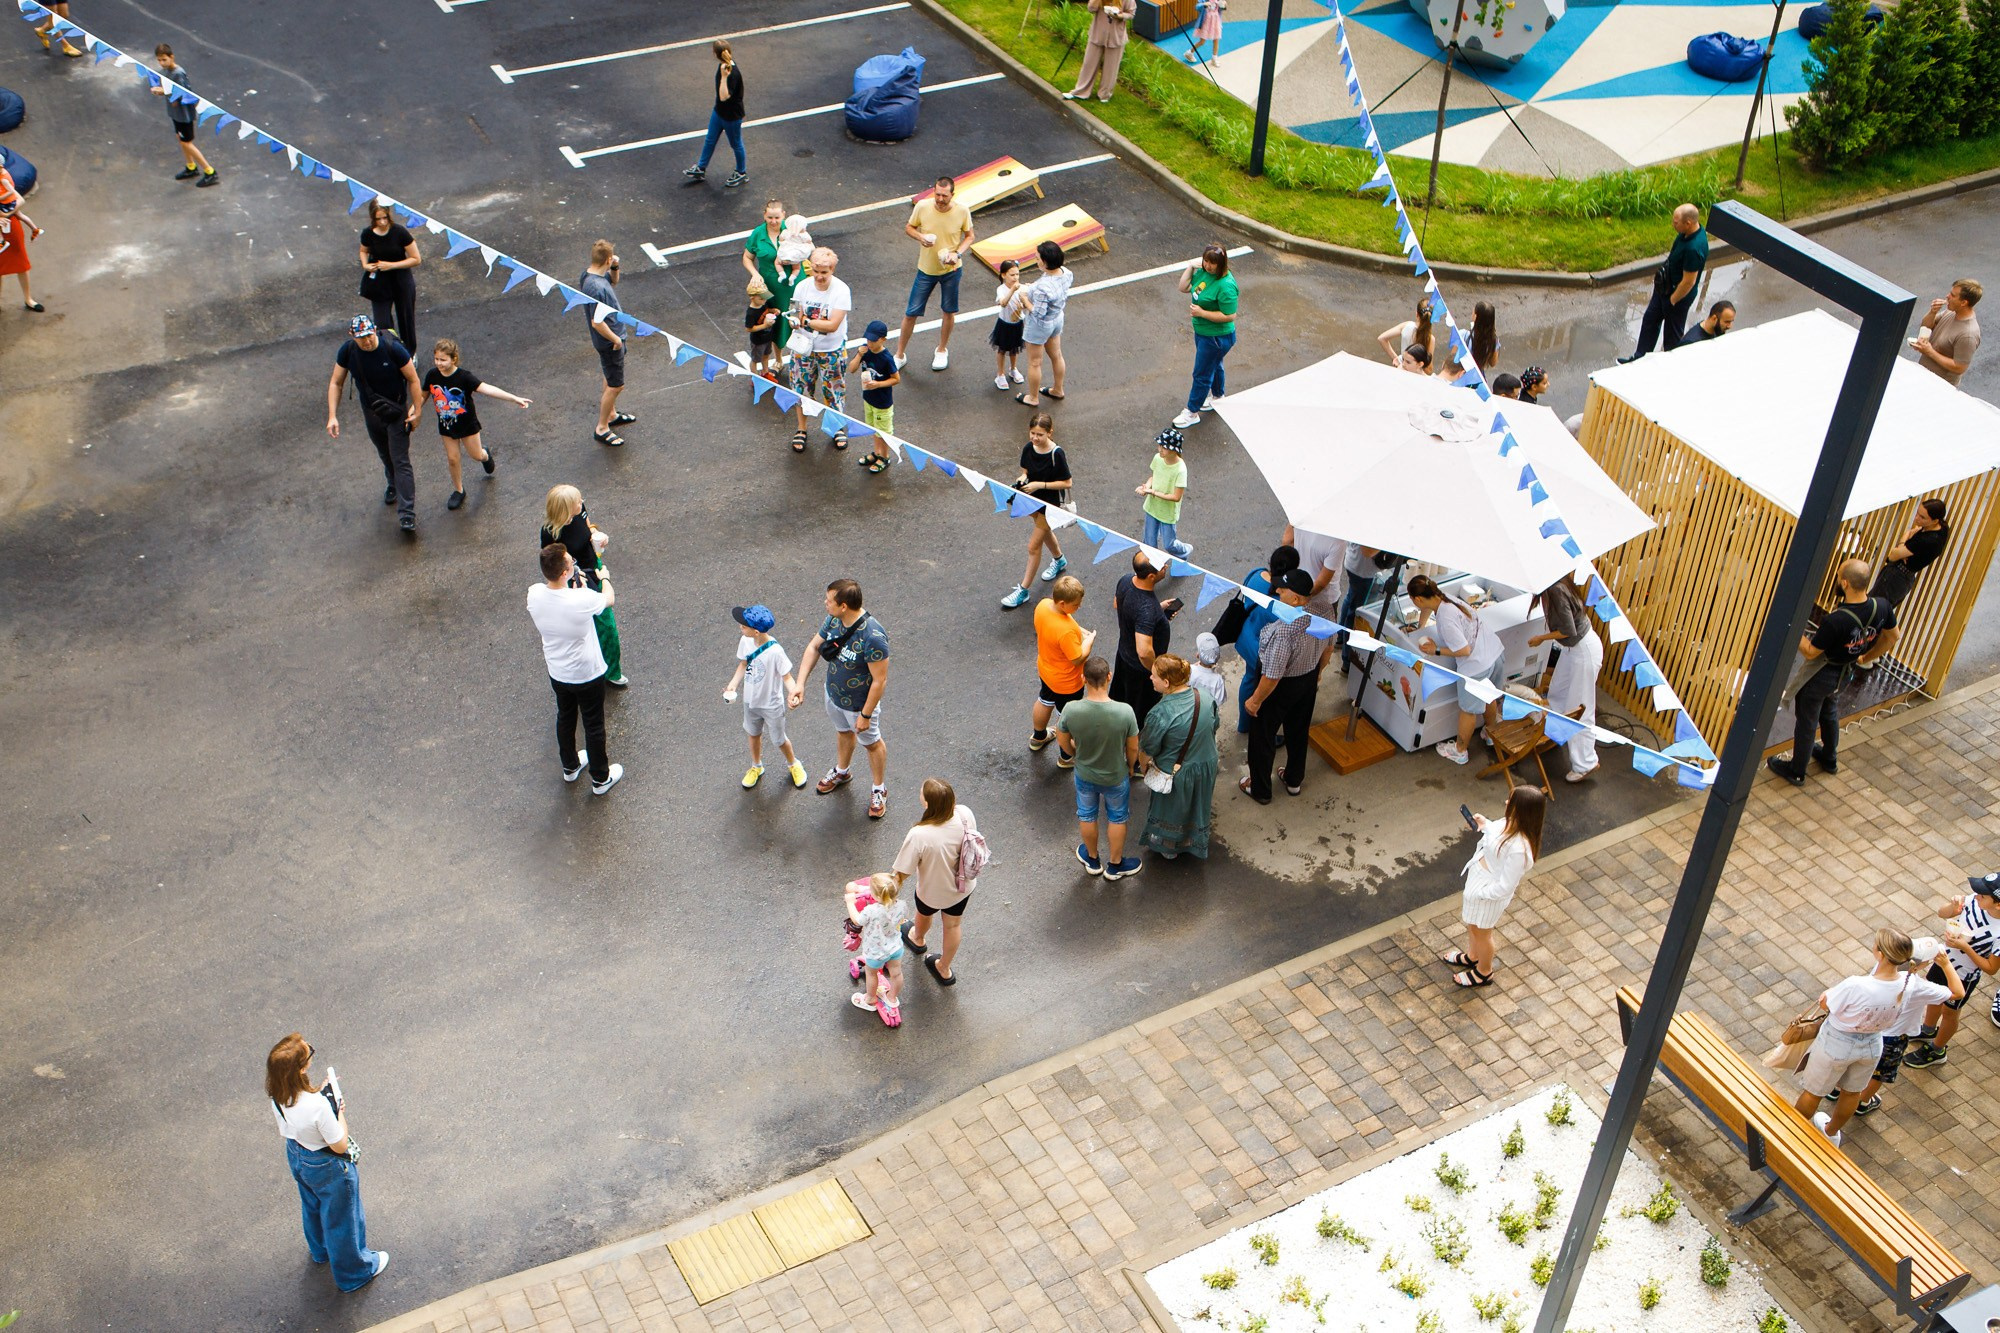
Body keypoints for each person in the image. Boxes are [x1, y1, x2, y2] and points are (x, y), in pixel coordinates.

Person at [1791, 929, 1949, 1146]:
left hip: (1837, 1042)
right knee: (1852, 1093)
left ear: (1881, 955)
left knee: (1814, 1092)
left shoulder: (1856, 983)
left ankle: (1790, 1136)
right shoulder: (1909, 983)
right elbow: (1952, 993)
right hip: (1872, 1045)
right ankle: (1830, 1132)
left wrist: (1825, 997)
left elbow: (1827, 1004)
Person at [266, 1034, 387, 1291]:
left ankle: (320, 1250)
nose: (310, 1053)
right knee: (342, 1218)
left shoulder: (278, 1093)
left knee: (312, 1204)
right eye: (308, 1053)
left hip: (298, 1154)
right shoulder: (318, 1106)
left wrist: (320, 1095)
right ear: (300, 1068)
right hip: (327, 1165)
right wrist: (339, 1112)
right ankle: (354, 1273)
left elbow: (292, 1125)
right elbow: (339, 1144)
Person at [1767, 559, 1896, 786]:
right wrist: (1866, 657)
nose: (1836, 580)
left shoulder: (1836, 620)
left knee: (1807, 721)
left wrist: (1790, 627)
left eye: (1838, 577)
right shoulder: (1882, 606)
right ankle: (1829, 757)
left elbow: (1809, 652)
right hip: (1846, 674)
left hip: (1822, 675)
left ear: (1845, 583)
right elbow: (1893, 637)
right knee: (1829, 710)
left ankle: (1797, 771)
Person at [789, 578, 890, 818]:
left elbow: (879, 680)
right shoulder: (834, 620)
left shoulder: (873, 637)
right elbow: (814, 647)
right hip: (834, 695)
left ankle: (879, 789)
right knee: (843, 732)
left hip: (859, 705)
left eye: (829, 600)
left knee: (871, 743)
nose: (825, 603)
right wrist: (800, 684)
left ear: (844, 606)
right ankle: (842, 771)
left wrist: (865, 714)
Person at [528, 543, 623, 794]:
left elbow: (561, 602)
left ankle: (570, 766)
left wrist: (574, 589)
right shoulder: (582, 599)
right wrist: (604, 578)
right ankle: (600, 778)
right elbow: (608, 599)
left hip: (558, 671)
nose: (573, 563)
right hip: (586, 673)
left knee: (566, 716)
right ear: (563, 572)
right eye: (570, 562)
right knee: (593, 725)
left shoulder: (534, 594)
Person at [1840, 933, 1961, 1118]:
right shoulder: (1919, 987)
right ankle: (1862, 1102)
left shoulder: (1882, 967)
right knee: (1879, 1073)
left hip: (1867, 1028)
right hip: (1893, 1037)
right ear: (1922, 964)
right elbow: (1958, 992)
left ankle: (1836, 1090)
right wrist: (1946, 964)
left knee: (1851, 1061)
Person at [326, 315, 423, 533]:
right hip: (371, 412)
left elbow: (414, 379)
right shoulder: (348, 351)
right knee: (384, 453)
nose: (367, 341)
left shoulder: (393, 349)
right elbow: (336, 382)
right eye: (361, 338)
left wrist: (417, 410)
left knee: (401, 460)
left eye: (369, 335)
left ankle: (407, 514)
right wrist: (332, 415)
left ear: (375, 330)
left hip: (397, 412)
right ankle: (392, 484)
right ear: (352, 336)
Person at [1439, 785, 1544, 988]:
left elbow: (1504, 887)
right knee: (1473, 924)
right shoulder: (1510, 823)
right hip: (1479, 882)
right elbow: (1495, 835)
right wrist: (1485, 824)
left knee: (1482, 932)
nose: (1506, 803)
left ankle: (1484, 971)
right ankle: (1472, 956)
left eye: (1510, 801)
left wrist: (1480, 894)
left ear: (1520, 809)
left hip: (1488, 894)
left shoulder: (1520, 850)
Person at [1239, 570, 1328, 804]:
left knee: (1262, 738)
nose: (1277, 591)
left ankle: (1260, 789)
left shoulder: (1284, 632)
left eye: (1283, 589)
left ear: (1297, 599)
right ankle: (1293, 780)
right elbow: (1329, 647)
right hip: (1307, 680)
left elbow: (1272, 676)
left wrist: (1255, 700)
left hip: (1279, 688)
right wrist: (1317, 674)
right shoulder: (1325, 610)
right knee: (1298, 732)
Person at [1056, 656, 1141, 879]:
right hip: (1115, 776)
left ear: (1083, 679)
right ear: (1109, 677)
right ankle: (1115, 865)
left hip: (1084, 774)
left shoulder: (1071, 709)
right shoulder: (1125, 712)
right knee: (1117, 818)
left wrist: (1074, 754)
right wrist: (1131, 767)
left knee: (1087, 815)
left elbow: (1062, 738)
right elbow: (1133, 748)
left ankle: (1092, 859)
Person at [1904, 872, 2000, 1070]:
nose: (1976, 895)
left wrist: (1965, 947)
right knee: (1933, 996)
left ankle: (1938, 1049)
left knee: (1950, 1012)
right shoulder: (1974, 901)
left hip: (1964, 975)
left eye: (1983, 895)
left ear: (1997, 904)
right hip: (1942, 960)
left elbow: (1991, 968)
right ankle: (1928, 1029)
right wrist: (1952, 906)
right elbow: (1942, 913)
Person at [420, 339, 529, 511]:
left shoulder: (464, 377)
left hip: (467, 425)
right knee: (453, 458)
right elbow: (423, 395)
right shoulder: (432, 375)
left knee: (476, 455)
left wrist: (514, 398)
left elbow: (488, 389)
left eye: (443, 360)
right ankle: (458, 490)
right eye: (436, 359)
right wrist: (414, 410)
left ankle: (485, 455)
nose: (438, 363)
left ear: (453, 359)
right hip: (447, 425)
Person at [1410, 574, 1505, 766]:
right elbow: (1428, 609)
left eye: (1414, 601)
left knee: (1468, 711)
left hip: (1476, 666)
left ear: (1419, 600)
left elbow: (1463, 650)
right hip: (1493, 653)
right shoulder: (1444, 598)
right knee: (1489, 697)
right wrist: (1420, 628)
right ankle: (1491, 733)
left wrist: (1434, 650)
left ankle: (1460, 751)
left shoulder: (1445, 618)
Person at [894, 778, 980, 986]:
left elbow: (902, 871)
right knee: (953, 925)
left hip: (932, 891)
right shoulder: (964, 814)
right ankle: (944, 968)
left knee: (923, 914)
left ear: (927, 804)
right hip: (962, 886)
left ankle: (917, 938)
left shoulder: (920, 834)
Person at [540, 484, 627, 689]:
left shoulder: (579, 510)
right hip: (575, 580)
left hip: (592, 567)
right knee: (594, 625)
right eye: (576, 502)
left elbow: (589, 527)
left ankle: (611, 670)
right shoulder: (550, 533)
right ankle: (593, 670)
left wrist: (597, 535)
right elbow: (552, 566)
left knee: (606, 625)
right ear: (565, 509)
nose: (581, 503)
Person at [1139, 653, 1221, 860]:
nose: (1150, 678)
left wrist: (1143, 767)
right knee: (1197, 802)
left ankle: (1170, 847)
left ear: (1166, 683)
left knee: (1172, 809)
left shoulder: (1160, 713)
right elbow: (1214, 725)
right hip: (1206, 763)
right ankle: (1191, 838)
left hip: (1177, 771)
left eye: (1154, 676)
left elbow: (1148, 748)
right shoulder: (1204, 695)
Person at [897, 175, 975, 372]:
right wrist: (920, 237)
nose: (940, 199)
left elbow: (970, 236)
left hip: (951, 269)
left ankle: (942, 349)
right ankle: (899, 354)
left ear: (952, 194)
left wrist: (957, 254)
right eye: (937, 195)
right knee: (911, 312)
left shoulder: (962, 211)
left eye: (945, 196)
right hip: (926, 269)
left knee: (948, 311)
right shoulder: (922, 206)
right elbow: (909, 227)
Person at [724, 604, 806, 790]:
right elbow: (743, 664)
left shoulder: (776, 651)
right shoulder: (745, 641)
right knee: (753, 734)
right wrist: (733, 684)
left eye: (743, 626)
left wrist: (794, 693)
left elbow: (787, 676)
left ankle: (794, 763)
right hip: (750, 701)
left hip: (771, 705)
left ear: (755, 631)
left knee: (779, 739)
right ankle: (756, 766)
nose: (740, 628)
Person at [1528, 576, 1601, 782]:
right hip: (1573, 649)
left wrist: (1540, 639)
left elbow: (1569, 630)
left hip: (1584, 651)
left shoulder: (1556, 590)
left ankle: (1585, 763)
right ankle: (1554, 732)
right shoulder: (1555, 585)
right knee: (1558, 692)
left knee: (1579, 709)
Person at [1001, 411, 1074, 608]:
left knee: (1033, 546)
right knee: (1044, 532)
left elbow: (1067, 482)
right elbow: (1025, 470)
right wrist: (1023, 479)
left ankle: (1023, 591)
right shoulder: (1028, 448)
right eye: (1032, 433)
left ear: (1050, 432)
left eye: (1040, 434)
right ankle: (1059, 560)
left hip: (1049, 505)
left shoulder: (1056, 453)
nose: (1035, 438)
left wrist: (1038, 485)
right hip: (1030, 499)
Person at [1619, 204, 1707, 362]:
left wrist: (1672, 301)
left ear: (1688, 223)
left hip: (1677, 298)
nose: (1673, 225)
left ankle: (1668, 369)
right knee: (1650, 321)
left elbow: (1688, 281)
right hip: (1664, 290)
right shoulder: (1685, 234)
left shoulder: (1694, 248)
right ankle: (1639, 359)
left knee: (1672, 339)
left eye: (1676, 222)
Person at [787, 247, 852, 453]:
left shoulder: (841, 290)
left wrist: (804, 321)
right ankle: (801, 428)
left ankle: (836, 427)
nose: (819, 276)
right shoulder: (802, 287)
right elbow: (794, 313)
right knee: (801, 388)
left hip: (831, 349)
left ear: (832, 270)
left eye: (824, 272)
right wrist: (794, 322)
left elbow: (832, 325)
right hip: (803, 348)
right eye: (816, 271)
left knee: (834, 389)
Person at [1231, 544, 1299, 733]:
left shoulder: (1256, 574)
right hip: (1263, 650)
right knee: (1265, 691)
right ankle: (1260, 728)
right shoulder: (1283, 602)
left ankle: (1243, 725)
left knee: (1249, 679)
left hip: (1245, 636)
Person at [1174, 244, 1238, 429]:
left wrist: (1202, 313)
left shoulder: (1226, 286)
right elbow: (1183, 287)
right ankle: (1218, 396)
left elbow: (1230, 315)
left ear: (1221, 264)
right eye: (1206, 261)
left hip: (1216, 338)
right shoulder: (1203, 273)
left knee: (1202, 374)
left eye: (1212, 263)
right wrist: (1190, 266)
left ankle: (1191, 412)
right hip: (1204, 334)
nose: (1208, 266)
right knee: (1214, 365)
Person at [1031, 574, 1094, 761]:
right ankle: (1066, 756)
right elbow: (1077, 658)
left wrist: (1078, 631)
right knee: (1066, 719)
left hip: (1046, 669)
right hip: (1067, 682)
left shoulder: (1043, 606)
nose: (1078, 607)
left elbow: (1065, 625)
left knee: (1044, 700)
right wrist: (1088, 641)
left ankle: (1038, 737)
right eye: (1075, 604)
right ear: (1061, 603)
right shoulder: (1065, 630)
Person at [1112, 551, 1179, 726]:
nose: (1166, 567)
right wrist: (1155, 670)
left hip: (1123, 656)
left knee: (1120, 701)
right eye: (1163, 567)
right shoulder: (1147, 609)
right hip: (1140, 673)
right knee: (1137, 714)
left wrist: (1158, 611)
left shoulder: (1126, 580)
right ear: (1151, 576)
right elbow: (1143, 651)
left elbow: (1117, 603)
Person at [579, 240, 634, 448]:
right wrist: (616, 339)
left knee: (608, 375)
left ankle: (611, 414)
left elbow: (613, 282)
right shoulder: (594, 286)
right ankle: (602, 427)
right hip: (609, 342)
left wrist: (615, 267)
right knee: (616, 385)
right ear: (608, 258)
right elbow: (597, 322)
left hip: (609, 340)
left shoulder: (590, 275)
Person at [681, 38, 747, 188]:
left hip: (731, 117)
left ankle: (742, 172)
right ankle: (701, 168)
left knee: (736, 144)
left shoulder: (731, 73)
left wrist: (724, 77)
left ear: (714, 53)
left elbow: (724, 96)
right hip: (719, 112)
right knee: (710, 140)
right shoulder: (723, 66)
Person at [357, 202, 421, 353]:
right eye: (378, 219)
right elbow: (363, 250)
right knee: (382, 322)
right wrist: (365, 264)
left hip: (401, 279)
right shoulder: (368, 233)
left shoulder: (399, 232)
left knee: (405, 319)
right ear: (373, 218)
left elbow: (416, 258)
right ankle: (391, 350)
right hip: (379, 281)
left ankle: (410, 353)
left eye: (385, 218)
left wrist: (391, 265)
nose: (382, 222)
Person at [1867, 498, 1949, 615]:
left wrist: (1903, 541)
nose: (1916, 518)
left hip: (1896, 577)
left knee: (1872, 609)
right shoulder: (1942, 528)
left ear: (1935, 521)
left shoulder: (1926, 540)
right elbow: (1915, 532)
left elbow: (1893, 555)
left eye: (1922, 517)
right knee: (1879, 611)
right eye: (1918, 513)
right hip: (1905, 578)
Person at [152, 45, 220, 187]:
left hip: (184, 115)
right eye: (159, 60)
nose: (162, 63)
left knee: (186, 142)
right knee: (180, 138)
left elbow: (185, 93)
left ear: (172, 57)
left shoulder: (178, 73)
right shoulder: (168, 71)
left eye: (164, 59)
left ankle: (210, 171)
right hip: (176, 113)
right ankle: (191, 167)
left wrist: (163, 92)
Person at [1014, 241, 1072, 407]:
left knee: (1035, 362)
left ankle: (1032, 397)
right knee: (1057, 355)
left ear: (1046, 262)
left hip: (1040, 325)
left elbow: (1038, 313)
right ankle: (1058, 389)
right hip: (1057, 318)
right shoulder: (1066, 273)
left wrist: (1025, 298)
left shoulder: (1042, 288)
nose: (1036, 260)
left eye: (1038, 258)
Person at [844, 873, 906, 1027]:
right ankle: (891, 998)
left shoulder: (871, 910)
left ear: (875, 895)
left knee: (871, 973)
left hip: (875, 953)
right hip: (895, 948)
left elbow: (857, 920)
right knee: (896, 973)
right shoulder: (902, 905)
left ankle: (870, 999)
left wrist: (850, 903)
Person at [742, 199, 800, 351]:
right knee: (775, 320)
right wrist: (754, 274)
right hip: (771, 285)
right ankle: (779, 358)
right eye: (770, 218)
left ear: (783, 215)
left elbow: (807, 249)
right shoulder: (758, 233)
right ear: (764, 216)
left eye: (777, 218)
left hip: (793, 284)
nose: (773, 221)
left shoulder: (792, 230)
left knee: (798, 318)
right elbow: (747, 257)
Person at [849, 320, 900, 475]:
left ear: (883, 339)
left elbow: (896, 379)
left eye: (873, 340)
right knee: (874, 429)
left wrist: (878, 385)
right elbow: (851, 369)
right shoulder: (866, 352)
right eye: (868, 339)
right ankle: (877, 453)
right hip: (868, 399)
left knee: (883, 432)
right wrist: (859, 354)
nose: (870, 343)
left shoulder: (886, 358)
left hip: (882, 403)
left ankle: (884, 457)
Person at [1062, 0, 1138, 102]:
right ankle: (1080, 91)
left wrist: (1120, 16)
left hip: (1116, 37)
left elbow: (1131, 14)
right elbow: (1091, 9)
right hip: (1097, 34)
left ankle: (1105, 94)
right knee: (1089, 64)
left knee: (1111, 68)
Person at [1912, 279, 1981, 386]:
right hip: (1924, 375)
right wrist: (1932, 312)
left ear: (1964, 302)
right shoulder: (1951, 312)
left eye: (1953, 295)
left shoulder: (1968, 334)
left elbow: (1960, 367)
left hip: (1940, 386)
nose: (1947, 296)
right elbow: (1926, 327)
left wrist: (1930, 352)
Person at [1137, 428, 1191, 559]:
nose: (1160, 449)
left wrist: (1153, 492)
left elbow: (1176, 497)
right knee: (1149, 543)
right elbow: (1154, 477)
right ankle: (1152, 568)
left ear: (1174, 450)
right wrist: (1147, 487)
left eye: (1164, 447)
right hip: (1152, 507)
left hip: (1167, 512)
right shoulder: (1158, 458)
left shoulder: (1180, 470)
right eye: (1159, 445)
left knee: (1169, 544)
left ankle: (1185, 551)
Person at [1336, 540, 1384, 672]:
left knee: (1351, 599)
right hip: (1363, 571)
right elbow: (1368, 551)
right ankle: (1347, 660)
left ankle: (1340, 636)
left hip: (1355, 563)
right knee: (1355, 615)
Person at [0, 183, 43, 313]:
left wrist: (5, 213)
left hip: (12, 227)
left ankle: (28, 299)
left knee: (21, 264)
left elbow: (20, 200)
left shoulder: (3, 181)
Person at [991, 259, 1027, 390]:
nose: (1015, 277)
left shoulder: (1022, 288)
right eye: (1012, 275)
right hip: (1004, 324)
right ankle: (1000, 374)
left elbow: (1026, 303)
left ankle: (1013, 369)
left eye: (1017, 274)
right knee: (1002, 349)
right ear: (1003, 275)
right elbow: (1003, 303)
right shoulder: (1001, 289)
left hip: (1018, 323)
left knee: (1014, 349)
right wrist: (1012, 290)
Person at [1377, 298, 1434, 366]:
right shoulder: (1430, 338)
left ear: (1417, 314)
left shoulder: (1406, 326)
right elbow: (1428, 368)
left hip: (1402, 368)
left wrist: (1396, 359)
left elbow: (1381, 338)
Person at [745, 276, 782, 378]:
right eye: (761, 298)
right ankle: (755, 377)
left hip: (767, 337)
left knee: (766, 356)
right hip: (758, 341)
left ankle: (765, 373)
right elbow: (749, 328)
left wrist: (773, 310)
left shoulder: (763, 304)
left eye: (765, 298)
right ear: (752, 298)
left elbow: (767, 310)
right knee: (755, 359)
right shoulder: (751, 313)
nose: (764, 300)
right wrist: (765, 325)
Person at [1190, 632, 1228, 717]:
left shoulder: (1190, 670)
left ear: (1197, 655)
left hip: (1190, 712)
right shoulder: (1218, 680)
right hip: (1207, 717)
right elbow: (1219, 702)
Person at [1185, 0, 1225, 65]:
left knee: (1216, 39)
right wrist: (1204, 4)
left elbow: (1221, 8)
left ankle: (1214, 58)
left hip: (1215, 21)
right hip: (1206, 22)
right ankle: (1189, 52)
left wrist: (1224, 5)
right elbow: (1197, 7)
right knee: (1202, 41)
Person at [1467, 300, 1498, 376]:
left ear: (1475, 317)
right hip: (1479, 376)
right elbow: (1493, 363)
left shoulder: (1464, 335)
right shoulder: (1493, 340)